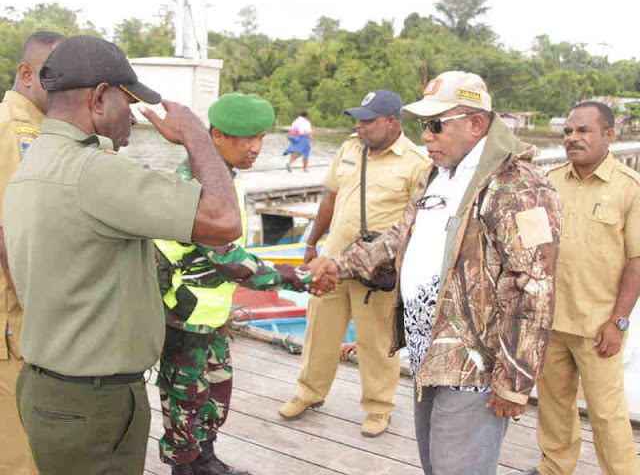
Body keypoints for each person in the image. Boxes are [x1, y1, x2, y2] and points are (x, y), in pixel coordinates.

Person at [3, 35, 243, 475]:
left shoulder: (33, 162)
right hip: (91, 405)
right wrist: (195, 134)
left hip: (50, 388)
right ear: (97, 97)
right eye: (127, 101)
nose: (133, 115)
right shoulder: (94, 174)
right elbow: (224, 219)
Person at [312, 72, 562, 474]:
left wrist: (514, 382)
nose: (425, 136)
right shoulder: (439, 174)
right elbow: (400, 237)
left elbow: (536, 288)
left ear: (476, 124)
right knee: (436, 465)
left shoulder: (520, 188)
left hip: (474, 366)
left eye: (435, 124)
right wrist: (339, 265)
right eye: (422, 125)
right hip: (428, 354)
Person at [155, 93, 328, 475]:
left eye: (261, 138)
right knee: (184, 398)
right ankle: (184, 468)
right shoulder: (193, 184)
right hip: (184, 318)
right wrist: (300, 276)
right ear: (215, 137)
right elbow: (231, 261)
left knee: (216, 390)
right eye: (244, 139)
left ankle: (206, 460)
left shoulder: (226, 179)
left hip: (213, 312)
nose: (256, 149)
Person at [279, 90, 429, 437]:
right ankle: (309, 393)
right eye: (358, 119)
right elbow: (330, 198)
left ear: (393, 122)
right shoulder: (349, 149)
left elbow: (412, 226)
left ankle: (378, 408)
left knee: (376, 340)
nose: (360, 125)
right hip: (330, 260)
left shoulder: (416, 163)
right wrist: (312, 242)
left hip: (374, 270)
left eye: (368, 120)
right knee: (319, 333)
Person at [517, 102, 640, 475]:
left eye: (583, 131)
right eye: (568, 132)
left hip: (599, 325)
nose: (572, 138)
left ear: (608, 136)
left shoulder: (629, 189)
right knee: (554, 405)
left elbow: (637, 261)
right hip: (551, 320)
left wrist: (618, 321)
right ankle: (555, 466)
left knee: (606, 411)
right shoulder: (549, 182)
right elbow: (531, 246)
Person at [0, 29, 64, 475]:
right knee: (20, 451)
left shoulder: (41, 128)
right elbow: (8, 232)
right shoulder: (16, 131)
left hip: (27, 314)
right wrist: (43, 308)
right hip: (17, 315)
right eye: (56, 78)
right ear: (26, 73)